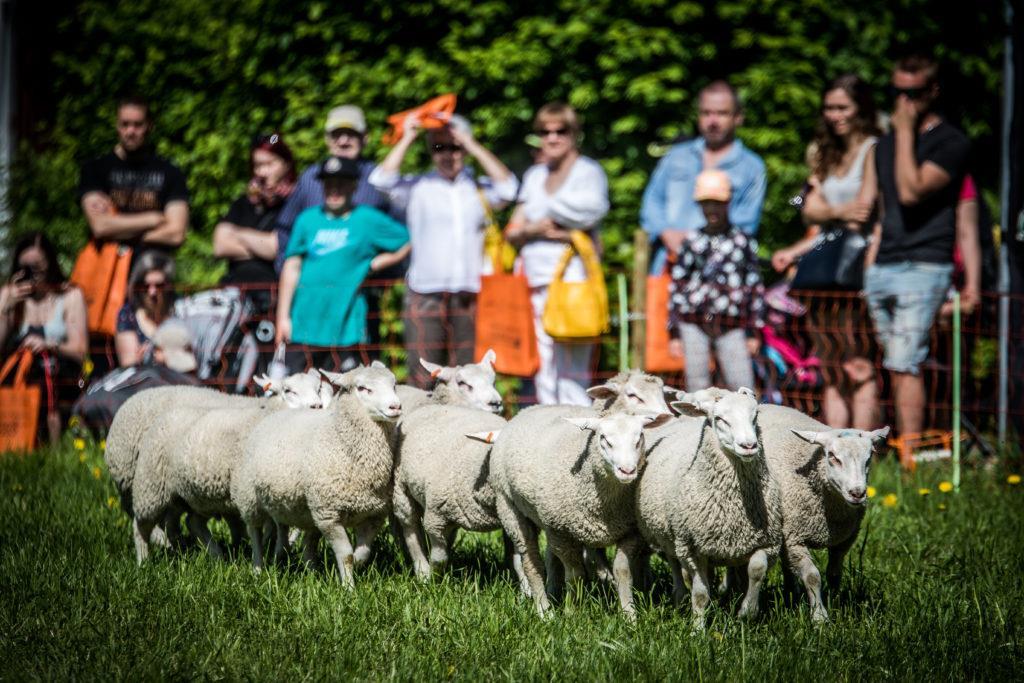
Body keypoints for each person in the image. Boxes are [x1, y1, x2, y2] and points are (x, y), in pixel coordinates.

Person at [864, 54, 971, 439]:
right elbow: (879, 209)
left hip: (925, 264)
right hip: (883, 264)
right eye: (897, 92)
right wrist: (869, 264)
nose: (904, 101)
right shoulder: (885, 145)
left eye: (914, 92)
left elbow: (910, 192)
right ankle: (889, 449)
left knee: (905, 362)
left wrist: (906, 132)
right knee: (888, 363)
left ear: (933, 91)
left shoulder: (951, 142)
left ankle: (910, 456)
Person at [369, 114, 518, 387]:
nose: (448, 154)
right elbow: (380, 180)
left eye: (454, 147)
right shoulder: (418, 186)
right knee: (424, 375)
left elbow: (509, 188)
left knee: (470, 377)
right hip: (425, 291)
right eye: (439, 147)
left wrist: (471, 144)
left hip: (470, 293)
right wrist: (409, 137)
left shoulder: (477, 187)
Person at [771, 74, 880, 430]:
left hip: (856, 267)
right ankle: (837, 448)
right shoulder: (824, 154)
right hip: (825, 267)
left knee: (858, 365)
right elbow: (809, 211)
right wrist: (796, 247)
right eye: (829, 107)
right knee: (831, 367)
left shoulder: (874, 149)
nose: (835, 115)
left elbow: (864, 212)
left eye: (842, 107)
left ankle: (865, 449)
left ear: (860, 108)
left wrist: (830, 211)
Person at [506, 102, 610, 406]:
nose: (552, 138)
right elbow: (514, 229)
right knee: (544, 365)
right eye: (544, 132)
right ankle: (548, 429)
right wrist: (538, 228)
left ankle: (577, 431)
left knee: (573, 368)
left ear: (574, 133)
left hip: (571, 281)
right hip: (533, 280)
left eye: (560, 131)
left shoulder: (588, 172)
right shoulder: (535, 176)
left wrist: (553, 222)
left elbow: (592, 211)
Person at [276, 156, 410, 373]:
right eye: (330, 183)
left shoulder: (367, 219)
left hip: (347, 327)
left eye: (342, 183)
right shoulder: (306, 220)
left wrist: (376, 263)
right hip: (304, 325)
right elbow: (291, 267)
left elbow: (406, 240)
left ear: (354, 186)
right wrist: (283, 317)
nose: (335, 189)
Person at [640, 80, 767, 274]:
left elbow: (746, 223)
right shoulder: (676, 156)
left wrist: (697, 242)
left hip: (719, 273)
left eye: (722, 113)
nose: (713, 121)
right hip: (667, 266)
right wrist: (667, 233)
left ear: (738, 117)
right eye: (706, 113)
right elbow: (652, 202)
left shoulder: (752, 166)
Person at [666, 170, 764, 391]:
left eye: (717, 203)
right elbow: (677, 288)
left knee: (741, 384)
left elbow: (754, 287)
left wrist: (753, 331)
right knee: (697, 384)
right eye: (706, 203)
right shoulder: (692, 241)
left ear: (728, 203)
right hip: (693, 322)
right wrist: (674, 333)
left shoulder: (741, 241)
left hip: (732, 324)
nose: (711, 209)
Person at [79, 95, 190, 265]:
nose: (130, 132)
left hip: (151, 275)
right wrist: (153, 219)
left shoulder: (170, 173)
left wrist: (118, 232)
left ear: (149, 126)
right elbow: (100, 227)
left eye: (138, 125)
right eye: (125, 124)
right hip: (105, 270)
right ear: (117, 126)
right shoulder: (95, 170)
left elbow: (176, 234)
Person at [0, 233, 88, 444]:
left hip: (59, 375)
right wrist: (5, 309)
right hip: (19, 377)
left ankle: (53, 448)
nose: (32, 274)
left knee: (49, 371)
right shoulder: (8, 294)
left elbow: (80, 351)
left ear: (50, 263)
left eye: (38, 267)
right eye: (25, 267)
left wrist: (50, 345)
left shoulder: (70, 295)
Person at [213, 133, 297, 311]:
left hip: (277, 300)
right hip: (236, 300)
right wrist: (263, 246)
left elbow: (278, 247)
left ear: (286, 164)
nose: (262, 172)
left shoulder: (295, 202)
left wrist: (238, 234)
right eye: (258, 165)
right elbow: (220, 245)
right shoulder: (243, 203)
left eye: (269, 164)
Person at [115, 251, 176, 368]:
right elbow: (129, 365)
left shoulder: (180, 310)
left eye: (159, 285)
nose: (152, 292)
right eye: (146, 286)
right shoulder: (128, 314)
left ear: (169, 285)